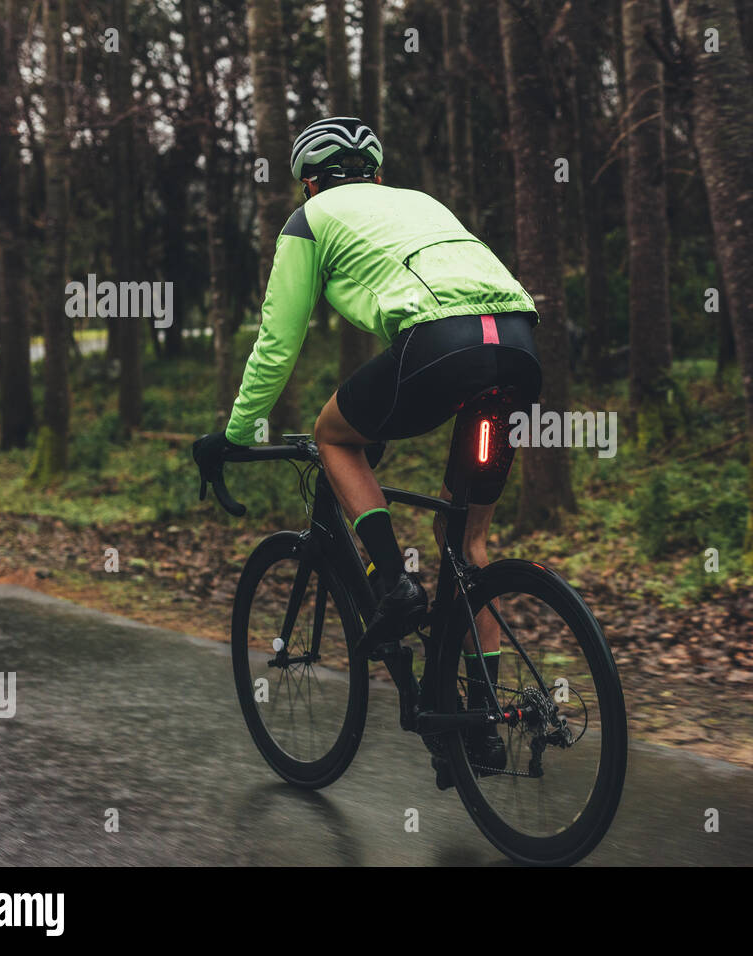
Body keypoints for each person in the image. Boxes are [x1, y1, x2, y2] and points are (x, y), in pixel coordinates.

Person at [193, 117, 542, 775]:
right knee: (470, 548)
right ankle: (483, 728)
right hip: (519, 344)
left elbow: (277, 341)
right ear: (376, 175)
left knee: (333, 435)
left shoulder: (311, 218)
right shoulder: (420, 204)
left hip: (441, 346)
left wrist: (235, 435)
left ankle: (393, 584)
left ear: (308, 183)